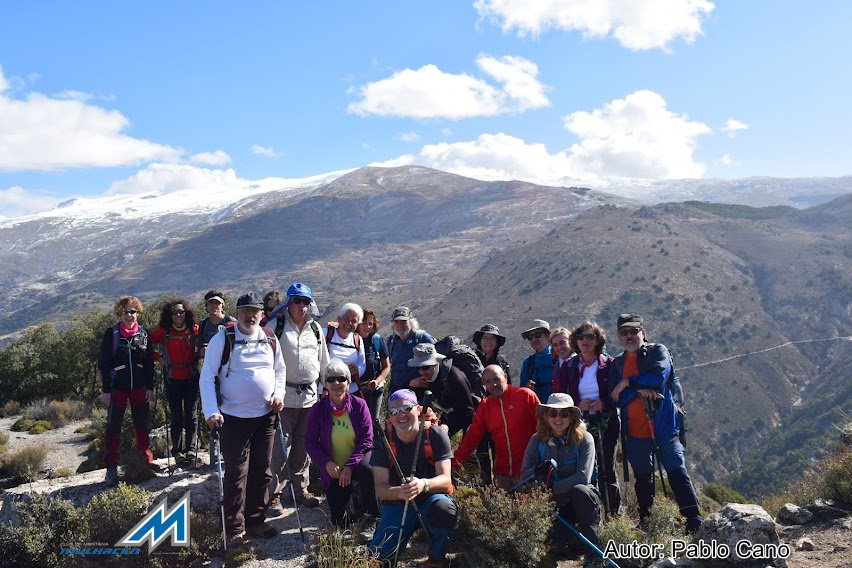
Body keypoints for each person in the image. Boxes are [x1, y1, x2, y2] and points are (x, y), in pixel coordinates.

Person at [199, 292, 286, 546]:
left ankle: (256, 521)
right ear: (237, 313)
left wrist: (278, 394)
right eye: (245, 310)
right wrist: (211, 411)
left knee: (262, 470)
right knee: (237, 473)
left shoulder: (269, 338)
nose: (250, 315)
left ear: (262, 314)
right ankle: (235, 529)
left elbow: (280, 370)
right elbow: (207, 377)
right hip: (233, 418)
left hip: (265, 416)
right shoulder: (222, 339)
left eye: (255, 311)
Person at [610, 313, 703, 533]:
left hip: (664, 427)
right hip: (634, 431)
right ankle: (648, 523)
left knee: (676, 472)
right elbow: (614, 397)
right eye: (624, 333)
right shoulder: (617, 364)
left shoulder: (658, 351)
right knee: (643, 480)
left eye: (634, 331)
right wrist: (636, 390)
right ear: (619, 337)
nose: (629, 336)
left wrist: (627, 383)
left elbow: (658, 378)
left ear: (644, 332)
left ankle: (694, 521)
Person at [371, 389, 456, 568]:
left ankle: (436, 559)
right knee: (379, 559)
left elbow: (446, 480)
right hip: (397, 503)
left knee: (445, 509)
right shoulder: (383, 441)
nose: (400, 415)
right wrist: (401, 492)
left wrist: (423, 484)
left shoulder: (435, 434)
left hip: (430, 499)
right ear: (390, 417)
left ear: (418, 410)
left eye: (406, 409)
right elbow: (380, 489)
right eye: (394, 412)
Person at [265, 282, 329, 510]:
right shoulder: (276, 326)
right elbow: (265, 363)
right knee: (279, 447)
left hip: (309, 398)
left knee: (304, 445)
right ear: (288, 303)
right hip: (282, 398)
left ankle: (301, 489)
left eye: (305, 302)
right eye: (297, 301)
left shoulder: (315, 329)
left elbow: (324, 362)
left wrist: (327, 389)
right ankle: (274, 494)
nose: (301, 306)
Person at [552, 322, 621, 514]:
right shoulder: (570, 366)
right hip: (580, 425)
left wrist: (604, 403)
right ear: (575, 340)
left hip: (606, 422)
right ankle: (591, 512)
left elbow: (618, 395)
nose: (585, 341)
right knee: (587, 468)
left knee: (607, 467)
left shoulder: (609, 364)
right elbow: (562, 396)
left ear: (598, 340)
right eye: (581, 337)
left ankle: (613, 513)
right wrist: (576, 405)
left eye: (590, 337)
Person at [521, 393, 601, 557]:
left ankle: (594, 554)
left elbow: (583, 477)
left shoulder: (585, 439)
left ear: (572, 417)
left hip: (581, 502)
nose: (558, 418)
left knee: (581, 490)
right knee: (556, 546)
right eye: (553, 413)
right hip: (552, 506)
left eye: (564, 413)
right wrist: (538, 472)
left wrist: (551, 487)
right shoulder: (536, 441)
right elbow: (524, 476)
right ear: (546, 416)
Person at [304, 359, 378, 527]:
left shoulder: (360, 405)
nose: (336, 383)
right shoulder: (318, 410)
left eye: (341, 379)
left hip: (357, 463)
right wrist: (326, 463)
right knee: (341, 521)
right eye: (331, 379)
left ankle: (371, 512)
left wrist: (350, 466)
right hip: (334, 469)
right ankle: (353, 501)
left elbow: (367, 439)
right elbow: (310, 442)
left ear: (348, 382)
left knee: (367, 470)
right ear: (325, 383)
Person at [98, 295, 160, 485]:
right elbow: (104, 362)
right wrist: (106, 389)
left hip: (139, 388)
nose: (129, 315)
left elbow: (149, 363)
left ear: (137, 313)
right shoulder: (112, 333)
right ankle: (111, 468)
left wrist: (149, 386)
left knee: (141, 424)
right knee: (113, 426)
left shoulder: (143, 334)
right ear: (120, 312)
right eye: (126, 311)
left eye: (133, 311)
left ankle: (145, 461)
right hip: (117, 388)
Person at [453, 365, 539, 489]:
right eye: (488, 382)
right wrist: (453, 464)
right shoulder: (485, 406)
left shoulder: (526, 396)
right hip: (502, 476)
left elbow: (543, 429)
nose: (493, 385)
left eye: (496, 379)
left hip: (529, 473)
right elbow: (471, 438)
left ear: (505, 377)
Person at [150, 298, 201, 465]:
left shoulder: (194, 330)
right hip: (172, 378)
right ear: (169, 315)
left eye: (181, 312)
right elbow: (145, 343)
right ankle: (177, 451)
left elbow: (205, 343)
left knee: (191, 414)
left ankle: (191, 449)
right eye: (174, 313)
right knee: (176, 416)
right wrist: (158, 358)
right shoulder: (163, 332)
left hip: (191, 376)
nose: (178, 315)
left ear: (186, 313)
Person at [407, 343, 475, 437]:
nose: (422, 371)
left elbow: (468, 411)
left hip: (468, 415)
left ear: (436, 362)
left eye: (426, 367)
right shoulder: (424, 378)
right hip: (450, 414)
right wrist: (411, 385)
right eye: (419, 368)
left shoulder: (455, 378)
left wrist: (447, 425)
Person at [386, 306, 436, 394]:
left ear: (411, 322)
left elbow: (437, 363)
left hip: (420, 394)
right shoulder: (391, 341)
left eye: (403, 321)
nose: (399, 325)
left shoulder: (423, 338)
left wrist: (425, 379)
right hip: (397, 393)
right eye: (396, 322)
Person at [324, 303, 367, 394]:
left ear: (357, 325)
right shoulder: (325, 334)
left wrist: (357, 370)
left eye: (354, 321)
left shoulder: (357, 340)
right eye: (346, 318)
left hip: (350, 391)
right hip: (326, 391)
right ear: (339, 318)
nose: (349, 323)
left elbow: (362, 365)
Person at [357, 308, 390, 423]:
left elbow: (386, 367)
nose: (367, 327)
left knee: (373, 421)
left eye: (370, 324)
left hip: (374, 390)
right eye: (364, 323)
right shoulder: (349, 340)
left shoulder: (377, 340)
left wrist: (377, 381)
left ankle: (374, 441)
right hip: (355, 390)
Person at [519, 319, 555, 402]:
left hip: (558, 410)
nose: (534, 339)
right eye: (530, 337)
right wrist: (527, 390)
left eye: (538, 335)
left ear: (548, 336)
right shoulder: (527, 363)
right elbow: (522, 393)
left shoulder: (559, 358)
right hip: (536, 411)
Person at [197, 290, 236, 360]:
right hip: (210, 364)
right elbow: (199, 347)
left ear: (222, 306)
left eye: (217, 303)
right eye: (211, 303)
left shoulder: (231, 322)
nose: (214, 306)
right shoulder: (203, 324)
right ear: (206, 306)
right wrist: (202, 351)